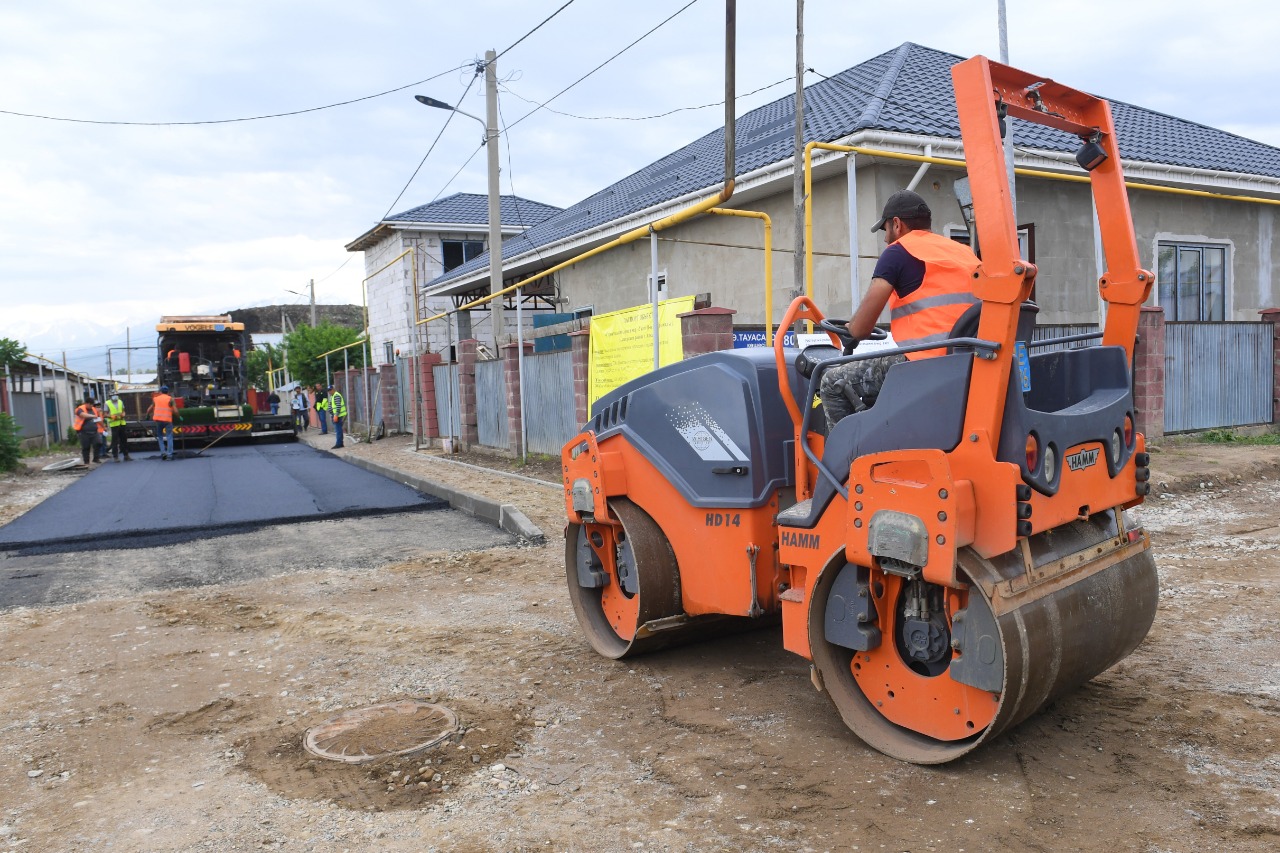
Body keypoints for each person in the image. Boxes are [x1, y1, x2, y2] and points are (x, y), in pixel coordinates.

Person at [819, 190, 980, 429]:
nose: (885, 239)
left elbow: (861, 328)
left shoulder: (898, 252)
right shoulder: (965, 252)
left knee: (831, 381)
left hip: (924, 363)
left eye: (885, 230)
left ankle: (846, 462)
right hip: (971, 361)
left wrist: (850, 328)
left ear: (897, 224)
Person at [145, 385, 176, 460]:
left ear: (160, 392)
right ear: (168, 392)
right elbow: (175, 411)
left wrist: (147, 416)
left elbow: (149, 409)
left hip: (158, 421)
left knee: (160, 437)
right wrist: (179, 417)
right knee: (169, 437)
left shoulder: (155, 399)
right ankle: (169, 455)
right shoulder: (170, 399)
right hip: (168, 421)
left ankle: (163, 453)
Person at [73, 394, 104, 465]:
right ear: (86, 403)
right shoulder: (79, 409)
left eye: (92, 405)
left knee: (99, 443)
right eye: (90, 405)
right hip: (83, 432)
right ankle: (86, 462)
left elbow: (98, 419)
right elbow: (83, 415)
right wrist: (93, 416)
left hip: (94, 431)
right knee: (86, 447)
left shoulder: (93, 409)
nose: (91, 406)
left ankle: (96, 458)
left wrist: (103, 426)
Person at [105, 390, 131, 461]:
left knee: (124, 440)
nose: (115, 396)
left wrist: (123, 414)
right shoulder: (107, 403)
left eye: (116, 395)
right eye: (113, 395)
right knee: (115, 441)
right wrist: (111, 416)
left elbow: (123, 410)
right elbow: (105, 414)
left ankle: (126, 455)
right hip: (114, 424)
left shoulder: (120, 402)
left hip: (122, 423)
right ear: (110, 396)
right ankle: (115, 456)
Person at [328, 384, 346, 449]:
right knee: (338, 429)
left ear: (333, 389)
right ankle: (340, 443)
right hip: (335, 415)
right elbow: (331, 406)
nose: (329, 392)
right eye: (328, 391)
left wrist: (336, 415)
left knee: (338, 430)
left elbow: (338, 406)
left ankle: (339, 444)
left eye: (330, 390)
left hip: (338, 415)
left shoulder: (336, 395)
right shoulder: (332, 396)